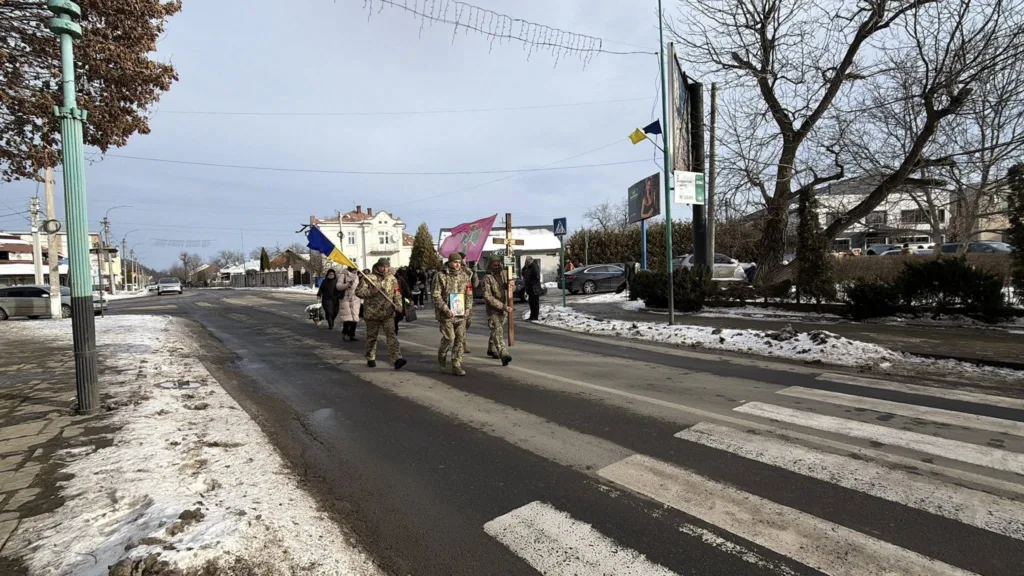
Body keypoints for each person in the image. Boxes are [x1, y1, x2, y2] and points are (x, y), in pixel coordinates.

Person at [355, 258, 406, 370]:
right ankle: (370, 356)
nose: (385, 269)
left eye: (387, 267)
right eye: (382, 266)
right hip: (372, 313)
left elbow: (396, 293)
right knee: (372, 337)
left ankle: (397, 358)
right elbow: (358, 292)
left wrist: (398, 305)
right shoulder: (369, 278)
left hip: (387, 313)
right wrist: (372, 291)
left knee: (391, 335)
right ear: (377, 266)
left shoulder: (392, 279)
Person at [433, 253, 473, 376]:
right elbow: (436, 295)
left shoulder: (465, 276)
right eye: (455, 262)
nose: (457, 265)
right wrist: (445, 309)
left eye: (459, 262)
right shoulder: (441, 276)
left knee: (460, 339)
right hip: (447, 314)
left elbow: (469, 294)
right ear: (449, 262)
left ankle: (456, 364)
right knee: (449, 337)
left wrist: (467, 308)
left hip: (460, 314)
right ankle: (442, 358)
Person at [482, 254, 512, 366]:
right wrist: (501, 306)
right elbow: (488, 296)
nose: (497, 266)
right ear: (490, 265)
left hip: (504, 308)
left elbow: (509, 287)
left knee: (496, 329)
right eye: (494, 264)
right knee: (498, 330)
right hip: (493, 309)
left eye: (498, 264)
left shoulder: (504, 274)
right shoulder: (487, 278)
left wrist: (511, 285)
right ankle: (503, 354)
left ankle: (491, 348)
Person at [461, 255, 480, 354]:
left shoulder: (468, 271)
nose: (465, 260)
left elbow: (475, 284)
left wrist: (475, 272)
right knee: (461, 323)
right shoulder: (455, 271)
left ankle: (461, 340)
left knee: (468, 322)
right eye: (464, 258)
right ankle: (462, 343)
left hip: (468, 300)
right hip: (458, 300)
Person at [337, 266, 361, 341]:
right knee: (348, 318)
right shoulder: (343, 275)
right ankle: (345, 333)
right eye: (354, 270)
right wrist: (347, 285)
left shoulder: (358, 276)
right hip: (346, 298)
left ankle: (351, 335)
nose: (355, 272)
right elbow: (338, 286)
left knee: (355, 318)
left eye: (356, 270)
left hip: (356, 299)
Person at [522, 256, 542, 321]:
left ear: (530, 261)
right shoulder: (527, 267)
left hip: (534, 288)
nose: (526, 262)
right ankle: (532, 316)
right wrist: (525, 267)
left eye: (527, 261)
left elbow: (537, 277)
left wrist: (530, 281)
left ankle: (535, 316)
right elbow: (523, 273)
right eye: (526, 261)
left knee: (535, 303)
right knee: (531, 303)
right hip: (530, 288)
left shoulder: (534, 267)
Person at [394, 268, 412, 334]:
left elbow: (405, 287)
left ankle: (395, 326)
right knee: (393, 315)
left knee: (399, 315)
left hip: (400, 298)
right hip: (390, 300)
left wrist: (408, 295)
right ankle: (395, 328)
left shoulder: (399, 278)